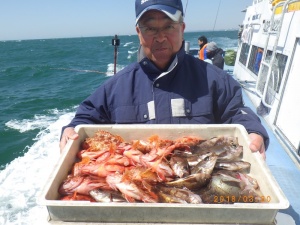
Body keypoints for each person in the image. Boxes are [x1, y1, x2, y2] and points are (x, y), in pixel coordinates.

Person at [60, 0, 269, 160]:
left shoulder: (216, 80)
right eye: (150, 28)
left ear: (182, 28)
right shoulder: (115, 88)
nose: (160, 37)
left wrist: (253, 131)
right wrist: (70, 132)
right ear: (138, 33)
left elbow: (237, 113)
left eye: (169, 26)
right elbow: (84, 121)